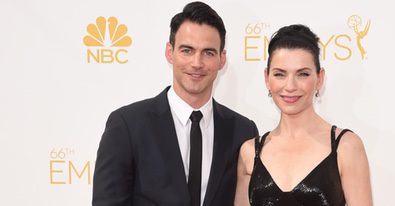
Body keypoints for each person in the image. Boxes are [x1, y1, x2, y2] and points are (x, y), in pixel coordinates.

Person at [92, 2, 258, 206]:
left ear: (222, 59)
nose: (197, 63)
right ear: (169, 52)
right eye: (187, 50)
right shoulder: (127, 125)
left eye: (208, 52)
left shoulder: (242, 131)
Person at [235, 25, 372, 206]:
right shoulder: (250, 152)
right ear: (267, 78)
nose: (290, 86)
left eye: (302, 74)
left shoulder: (346, 147)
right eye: (280, 74)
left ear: (320, 78)